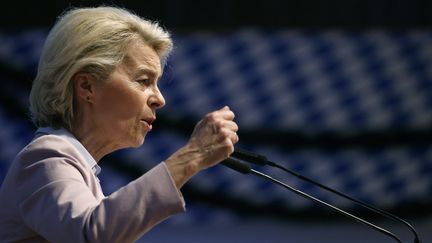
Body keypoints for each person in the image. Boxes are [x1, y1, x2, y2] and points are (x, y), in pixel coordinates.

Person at [0, 6, 239, 243]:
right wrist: (192, 156)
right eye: (144, 81)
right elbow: (93, 235)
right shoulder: (45, 158)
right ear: (86, 87)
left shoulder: (74, 167)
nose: (160, 99)